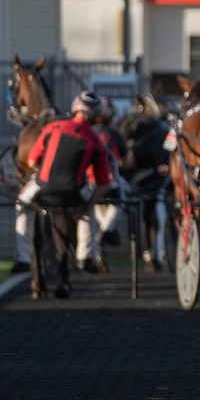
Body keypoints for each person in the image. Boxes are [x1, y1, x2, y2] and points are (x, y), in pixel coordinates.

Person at [25, 90, 111, 298]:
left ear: (75, 108)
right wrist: (87, 208)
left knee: (21, 208)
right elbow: (102, 184)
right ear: (96, 114)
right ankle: (83, 256)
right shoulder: (96, 141)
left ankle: (28, 267)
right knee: (81, 216)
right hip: (72, 195)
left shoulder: (52, 127)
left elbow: (31, 162)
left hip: (43, 190)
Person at [75, 96, 131, 272]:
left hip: (87, 183)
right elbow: (128, 161)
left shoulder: (85, 133)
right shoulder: (115, 135)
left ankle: (98, 250)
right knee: (123, 195)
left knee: (93, 217)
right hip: (108, 181)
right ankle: (108, 230)